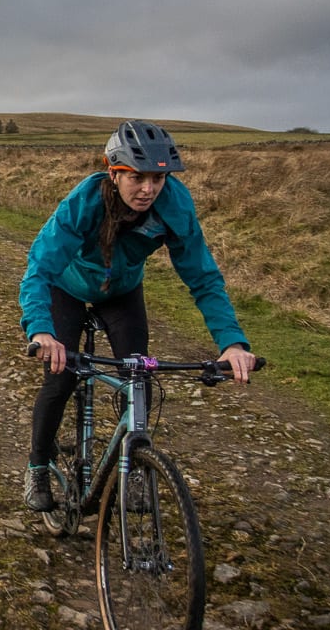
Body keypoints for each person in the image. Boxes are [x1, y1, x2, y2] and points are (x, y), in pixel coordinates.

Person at [19, 120, 257, 511]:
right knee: (59, 379)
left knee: (139, 379)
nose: (148, 189)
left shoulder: (174, 205)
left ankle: (132, 467)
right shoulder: (86, 201)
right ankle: (38, 466)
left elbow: (203, 277)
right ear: (113, 172)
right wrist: (42, 330)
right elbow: (40, 268)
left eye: (158, 179)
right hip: (68, 287)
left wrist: (232, 343)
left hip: (123, 292)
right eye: (137, 178)